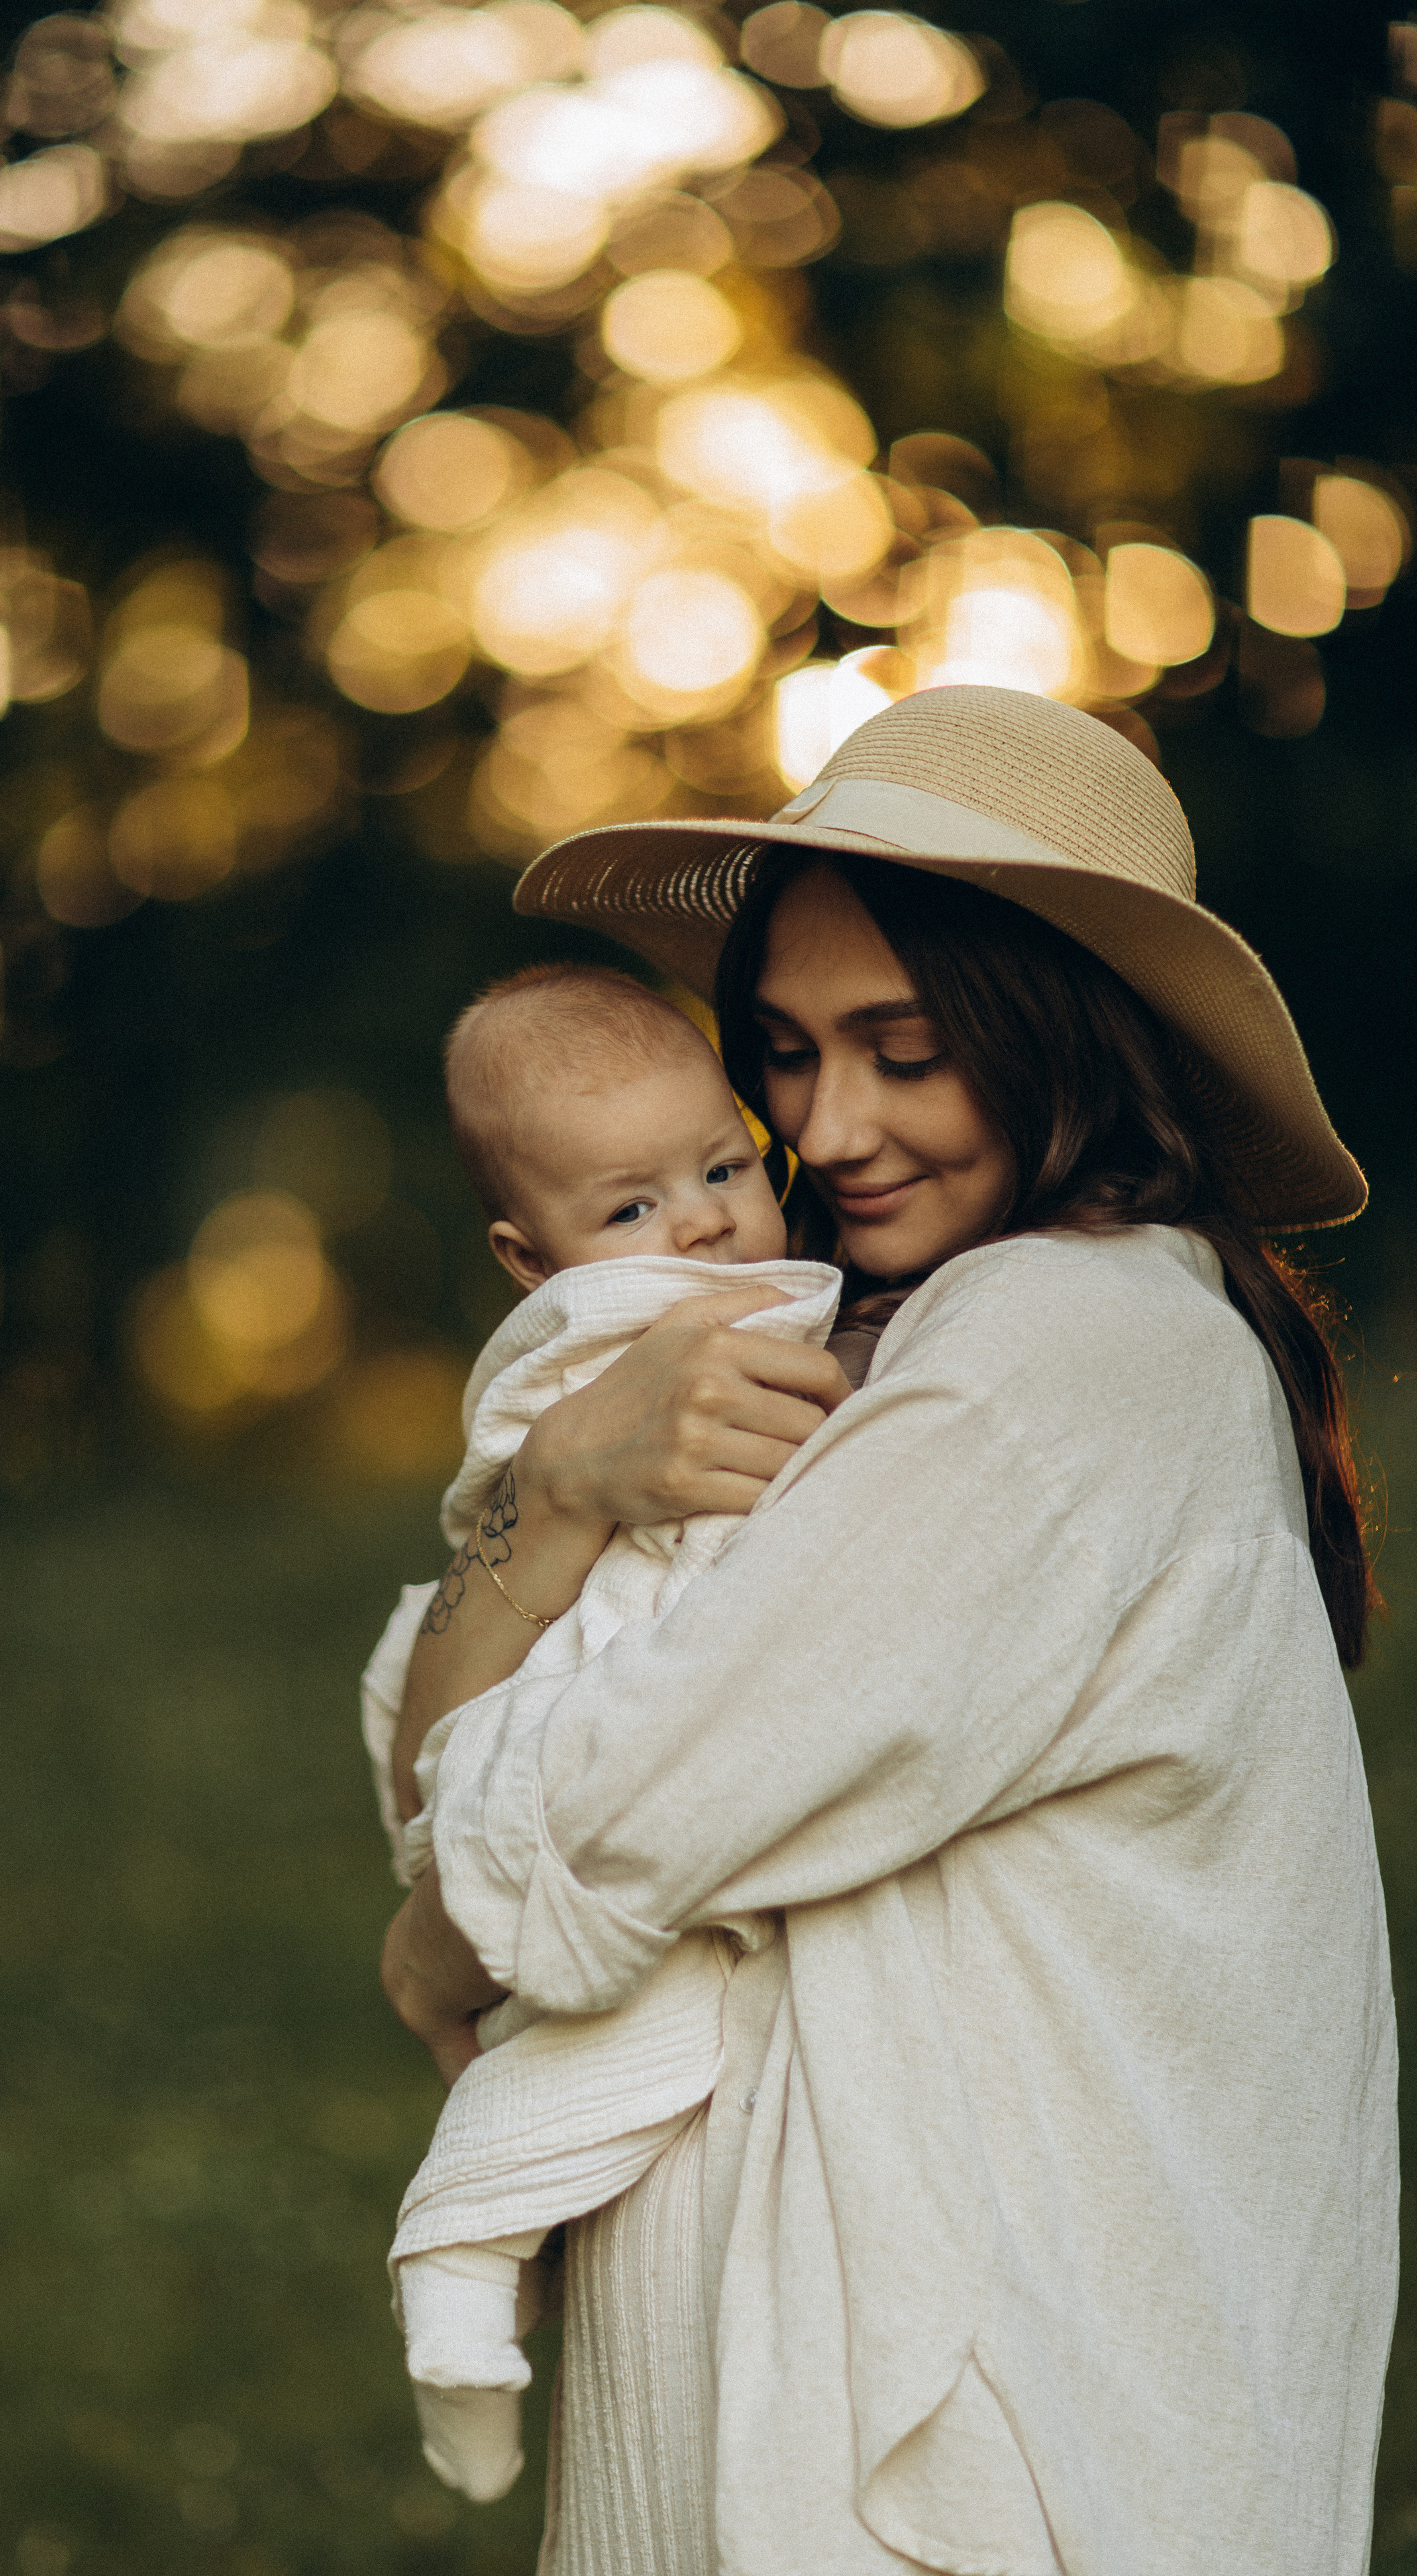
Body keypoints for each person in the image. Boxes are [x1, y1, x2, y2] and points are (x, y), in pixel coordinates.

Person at [379, 686, 1398, 2576]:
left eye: (904, 1052)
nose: (823, 1130)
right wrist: (568, 1497)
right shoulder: (862, 1355)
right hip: (860, 2419)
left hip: (964, 2453)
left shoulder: (1064, 1354)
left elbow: (587, 1821)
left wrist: (431, 1936)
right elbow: (467, 1759)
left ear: (1062, 1038)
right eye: (781, 1053)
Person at [361, 962, 841, 2505]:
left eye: (719, 1170)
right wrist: (569, 1484)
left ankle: (465, 2260)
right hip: (595, 1703)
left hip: (652, 1768)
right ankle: (462, 2260)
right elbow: (508, 1511)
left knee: (599, 2011)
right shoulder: (593, 1349)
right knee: (605, 2010)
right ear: (528, 1256)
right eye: (628, 1212)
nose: (697, 1231)